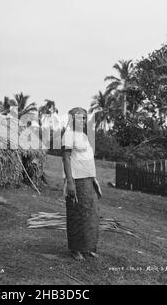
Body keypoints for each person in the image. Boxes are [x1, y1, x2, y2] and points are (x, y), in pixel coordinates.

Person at [61, 107, 101, 261]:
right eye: (78, 118)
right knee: (77, 214)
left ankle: (88, 247)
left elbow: (88, 158)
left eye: (84, 118)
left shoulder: (83, 136)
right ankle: (76, 249)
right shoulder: (68, 135)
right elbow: (66, 159)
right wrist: (69, 182)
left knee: (90, 215)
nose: (82, 120)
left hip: (88, 180)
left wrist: (94, 179)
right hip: (76, 180)